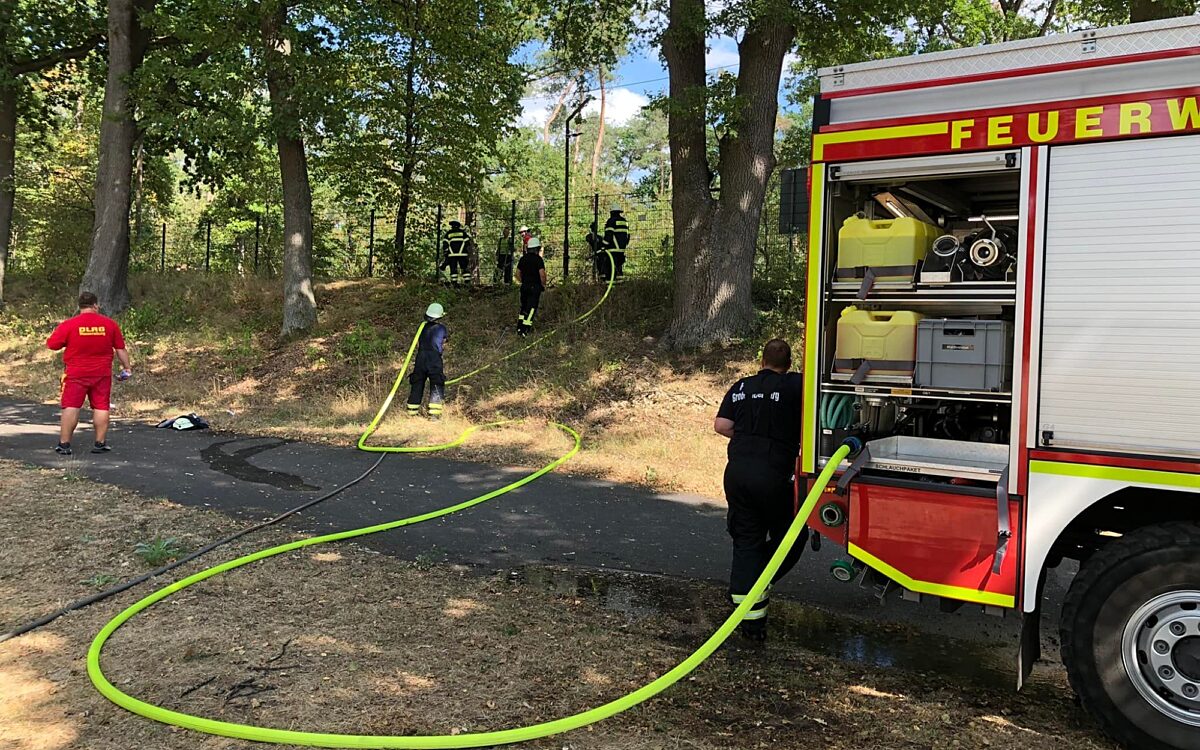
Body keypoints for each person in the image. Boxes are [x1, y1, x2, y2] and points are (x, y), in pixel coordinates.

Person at [713, 339, 805, 643]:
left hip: (737, 473)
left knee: (747, 541)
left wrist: (748, 434)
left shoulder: (742, 386)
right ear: (788, 363)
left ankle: (750, 625)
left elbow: (721, 425)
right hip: (774, 475)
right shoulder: (795, 385)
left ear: (761, 360)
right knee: (792, 536)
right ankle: (756, 581)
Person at [45, 291, 132, 455]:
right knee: (101, 406)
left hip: (75, 374)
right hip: (102, 374)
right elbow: (120, 348)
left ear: (79, 307)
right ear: (95, 305)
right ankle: (100, 443)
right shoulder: (109, 324)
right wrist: (126, 367)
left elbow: (52, 345)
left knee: (71, 406)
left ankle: (64, 445)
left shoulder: (69, 324)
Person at [407, 303, 449, 420]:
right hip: (434, 358)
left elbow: (417, 344)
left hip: (421, 358)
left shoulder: (421, 327)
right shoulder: (441, 328)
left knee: (417, 382)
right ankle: (434, 415)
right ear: (440, 316)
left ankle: (412, 412)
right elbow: (443, 343)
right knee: (436, 382)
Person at [515, 236, 546, 337]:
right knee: (531, 309)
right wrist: (543, 284)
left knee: (523, 307)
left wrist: (523, 281)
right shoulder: (538, 260)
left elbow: (517, 273)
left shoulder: (523, 259)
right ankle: (526, 329)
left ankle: (519, 327)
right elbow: (542, 274)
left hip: (524, 287)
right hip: (535, 287)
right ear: (537, 248)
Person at [602, 204, 630, 282]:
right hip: (622, 249)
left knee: (609, 267)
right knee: (618, 266)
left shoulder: (611, 221)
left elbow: (609, 235)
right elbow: (628, 235)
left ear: (612, 212)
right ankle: (620, 285)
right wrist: (624, 245)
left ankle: (610, 284)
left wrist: (604, 245)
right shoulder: (625, 221)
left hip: (612, 248)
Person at [442, 220, 471, 287]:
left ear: (452, 226)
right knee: (464, 268)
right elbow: (467, 243)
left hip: (452, 255)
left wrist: (446, 253)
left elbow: (445, 244)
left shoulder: (448, 234)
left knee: (453, 269)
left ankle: (454, 283)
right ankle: (467, 282)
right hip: (462, 255)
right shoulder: (463, 233)